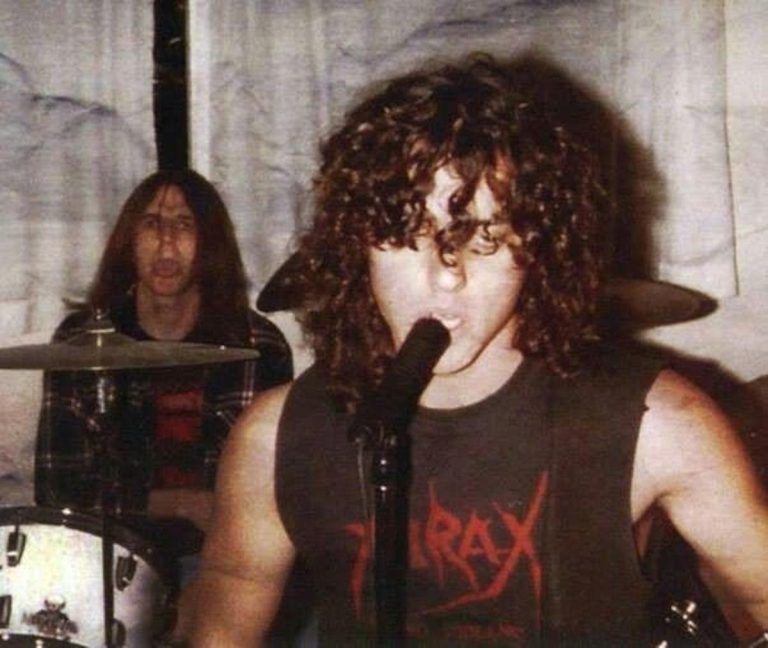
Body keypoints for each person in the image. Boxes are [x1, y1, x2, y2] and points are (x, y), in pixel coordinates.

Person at [190, 56, 768, 645]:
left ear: (539, 248)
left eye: (485, 237)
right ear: (358, 245)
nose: (447, 276)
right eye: (408, 235)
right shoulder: (274, 438)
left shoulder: (662, 426)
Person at [34, 169, 293, 634]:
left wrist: (214, 581)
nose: (166, 242)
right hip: (110, 560)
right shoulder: (83, 342)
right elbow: (58, 490)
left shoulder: (257, 344)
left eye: (184, 224)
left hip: (221, 561)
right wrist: (181, 503)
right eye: (152, 224)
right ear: (129, 242)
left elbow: (274, 497)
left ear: (210, 243)